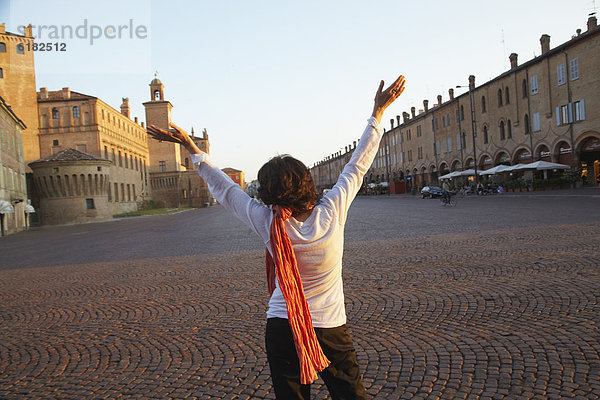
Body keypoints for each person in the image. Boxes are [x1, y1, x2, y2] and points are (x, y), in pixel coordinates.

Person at [147, 75, 406, 400]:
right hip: (329, 326)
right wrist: (377, 113)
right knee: (351, 395)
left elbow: (225, 188)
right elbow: (358, 165)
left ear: (268, 192)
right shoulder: (332, 211)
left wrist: (191, 148)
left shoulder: (266, 220)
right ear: (307, 182)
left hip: (282, 325)